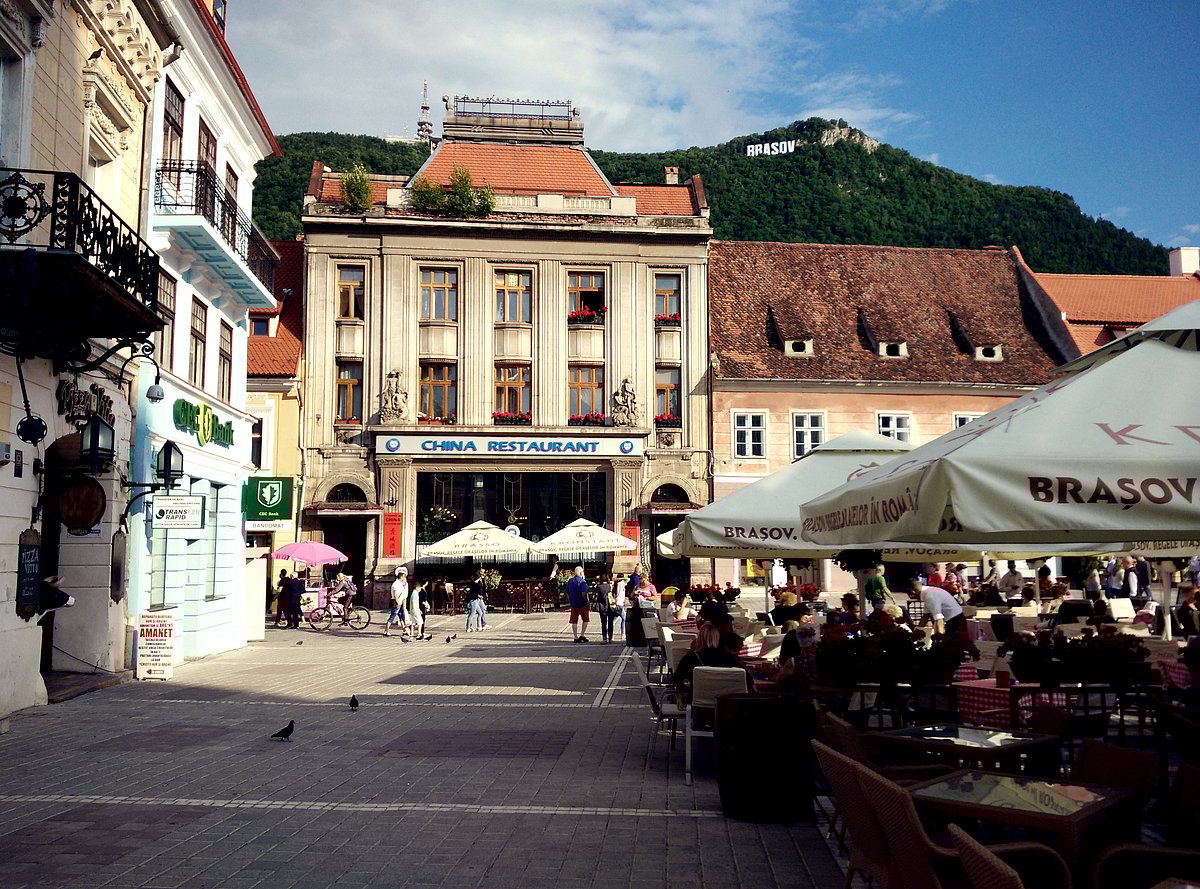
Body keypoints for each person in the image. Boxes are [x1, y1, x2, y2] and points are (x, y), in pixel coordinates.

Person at [673, 625, 746, 702]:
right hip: (727, 706)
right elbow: (746, 681)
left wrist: (691, 690)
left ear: (699, 638)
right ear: (717, 639)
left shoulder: (690, 658)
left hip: (699, 706)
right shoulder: (731, 659)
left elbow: (677, 680)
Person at [565, 566, 591, 643]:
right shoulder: (582, 582)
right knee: (585, 619)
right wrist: (587, 602)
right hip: (582, 603)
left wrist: (570, 599)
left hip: (573, 603)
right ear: (580, 572)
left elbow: (566, 592)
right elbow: (584, 593)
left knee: (574, 621)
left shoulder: (570, 581)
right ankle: (582, 635)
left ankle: (575, 636)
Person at [385, 567, 408, 637]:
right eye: (404, 577)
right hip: (396, 602)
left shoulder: (400, 583)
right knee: (392, 617)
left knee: (401, 616)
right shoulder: (396, 584)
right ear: (402, 576)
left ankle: (404, 630)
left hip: (399, 602)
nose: (405, 578)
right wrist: (398, 603)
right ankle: (386, 631)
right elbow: (395, 595)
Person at [595, 574, 616, 644]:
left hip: (602, 606)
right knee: (610, 622)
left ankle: (604, 638)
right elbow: (614, 594)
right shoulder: (610, 586)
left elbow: (596, 595)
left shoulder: (599, 587)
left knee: (603, 623)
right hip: (610, 606)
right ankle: (610, 638)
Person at [406, 571, 424, 638]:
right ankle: (419, 633)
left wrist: (418, 610)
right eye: (419, 588)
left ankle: (412, 634)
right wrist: (416, 610)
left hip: (413, 610)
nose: (420, 589)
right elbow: (414, 602)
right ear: (417, 587)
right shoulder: (415, 594)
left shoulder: (414, 593)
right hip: (414, 610)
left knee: (413, 622)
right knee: (420, 622)